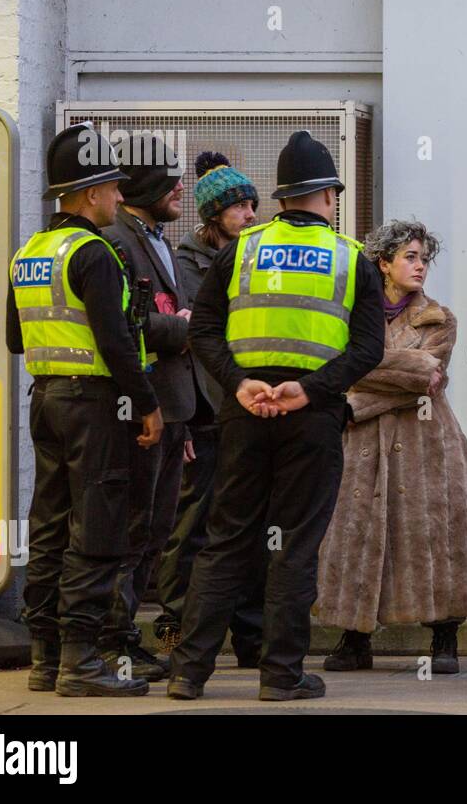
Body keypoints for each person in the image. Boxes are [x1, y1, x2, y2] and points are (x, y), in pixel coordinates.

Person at [167, 130, 385, 701]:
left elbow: (203, 329)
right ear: (329, 196)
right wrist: (309, 390)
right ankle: (280, 675)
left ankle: (188, 674)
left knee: (225, 541)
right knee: (292, 545)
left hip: (243, 416)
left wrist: (240, 385)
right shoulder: (351, 258)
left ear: (281, 196)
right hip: (311, 420)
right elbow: (368, 351)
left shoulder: (239, 250)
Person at [7, 123, 162, 697]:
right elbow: (118, 345)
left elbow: (15, 339)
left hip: (45, 400)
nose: (121, 199)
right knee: (96, 528)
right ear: (91, 192)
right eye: (114, 189)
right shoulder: (95, 253)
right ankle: (82, 663)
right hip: (96, 405)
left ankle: (45, 657)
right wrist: (147, 405)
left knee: (48, 525)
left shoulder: (31, 251)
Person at [316, 219, 467, 675]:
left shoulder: (440, 318)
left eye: (425, 258)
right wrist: (389, 371)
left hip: (427, 442)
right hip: (364, 446)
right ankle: (354, 639)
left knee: (435, 533)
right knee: (357, 532)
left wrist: (357, 393)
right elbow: (342, 366)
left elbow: (427, 378)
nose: (420, 266)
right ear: (384, 263)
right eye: (410, 257)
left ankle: (445, 639)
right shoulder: (352, 313)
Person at [153, 153, 265, 666]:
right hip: (200, 414)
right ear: (213, 214)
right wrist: (182, 417)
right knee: (188, 531)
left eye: (252, 205)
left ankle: (251, 642)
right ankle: (174, 638)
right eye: (239, 206)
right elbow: (181, 342)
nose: (249, 214)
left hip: (242, 410)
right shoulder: (183, 264)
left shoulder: (256, 257)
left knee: (246, 526)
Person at [98, 133, 199, 681]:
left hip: (170, 408)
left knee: (155, 531)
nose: (181, 186)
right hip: (141, 410)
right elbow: (119, 324)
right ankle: (114, 643)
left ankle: (125, 638)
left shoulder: (158, 237)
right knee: (133, 529)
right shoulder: (116, 240)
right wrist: (178, 329)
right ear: (143, 185)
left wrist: (182, 419)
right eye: (169, 178)